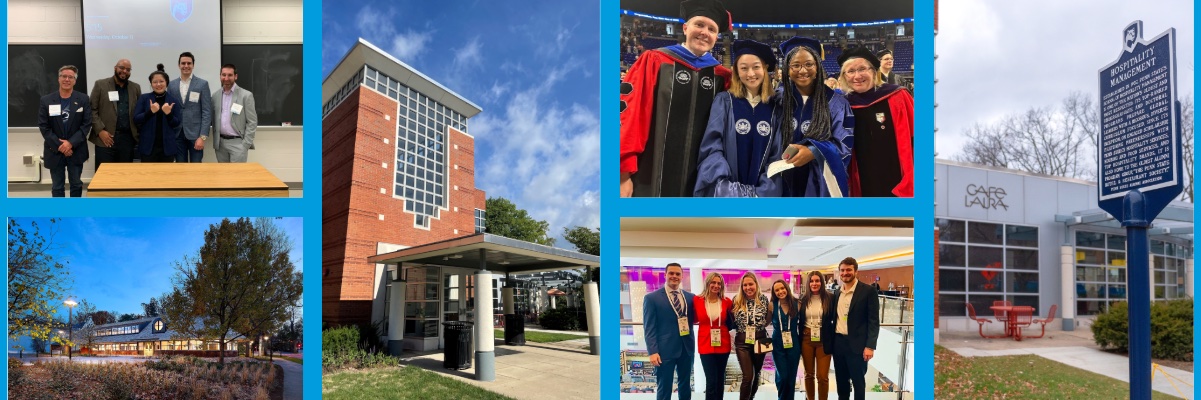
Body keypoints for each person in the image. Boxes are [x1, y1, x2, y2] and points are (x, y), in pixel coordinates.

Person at [619, 0, 732, 197]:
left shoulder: (723, 76)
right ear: (685, 27)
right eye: (699, 25)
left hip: (701, 178)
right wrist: (623, 174)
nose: (705, 32)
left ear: (716, 36)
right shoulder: (654, 60)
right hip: (649, 174)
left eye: (712, 29)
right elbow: (631, 115)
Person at [694, 39, 783, 197]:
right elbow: (712, 147)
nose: (750, 74)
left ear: (765, 68)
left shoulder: (775, 108)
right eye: (744, 68)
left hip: (761, 198)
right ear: (736, 71)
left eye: (756, 67)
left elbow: (776, 157)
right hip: (727, 196)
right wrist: (727, 188)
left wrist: (761, 193)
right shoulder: (724, 101)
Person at [777, 37, 854, 197]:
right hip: (781, 182)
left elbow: (845, 146)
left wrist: (815, 152)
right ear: (787, 69)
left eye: (809, 64)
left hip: (818, 186)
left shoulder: (837, 103)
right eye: (796, 65)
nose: (803, 70)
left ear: (818, 67)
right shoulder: (777, 100)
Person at [838, 47, 914, 197]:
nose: (857, 76)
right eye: (851, 71)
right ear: (844, 76)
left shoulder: (898, 96)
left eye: (862, 69)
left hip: (898, 177)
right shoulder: (842, 105)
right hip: (862, 180)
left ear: (874, 71)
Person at [822, 257, 880, 400]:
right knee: (841, 382)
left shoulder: (868, 291)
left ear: (856, 271)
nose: (845, 273)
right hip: (839, 343)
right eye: (842, 270)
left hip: (858, 346)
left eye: (848, 270)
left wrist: (870, 346)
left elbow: (874, 321)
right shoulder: (837, 293)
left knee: (858, 382)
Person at [643, 263, 697, 400]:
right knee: (664, 386)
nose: (674, 276)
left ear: (682, 276)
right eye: (671, 273)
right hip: (663, 350)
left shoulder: (691, 297)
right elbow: (649, 327)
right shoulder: (651, 298)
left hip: (686, 349)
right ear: (665, 275)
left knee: (685, 385)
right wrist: (652, 351)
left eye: (677, 274)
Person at [38, 65, 91, 197]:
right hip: (54, 150)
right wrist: (61, 145)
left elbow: (86, 124)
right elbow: (44, 126)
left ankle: (74, 214)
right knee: (57, 187)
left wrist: (70, 143)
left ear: (75, 80)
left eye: (70, 77)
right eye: (64, 76)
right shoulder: (46, 100)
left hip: (76, 150)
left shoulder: (83, 99)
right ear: (59, 78)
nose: (67, 79)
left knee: (77, 184)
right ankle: (60, 215)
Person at [88, 59, 141, 169]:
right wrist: (100, 131)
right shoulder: (100, 85)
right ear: (115, 68)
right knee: (104, 176)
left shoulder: (135, 88)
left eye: (128, 69)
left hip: (127, 139)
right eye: (122, 68)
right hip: (105, 138)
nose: (124, 71)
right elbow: (92, 109)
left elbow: (139, 112)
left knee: (124, 175)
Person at [694, 272, 734, 400]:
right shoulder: (697, 300)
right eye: (713, 282)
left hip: (723, 344)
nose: (716, 285)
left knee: (720, 379)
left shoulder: (726, 301)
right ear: (708, 283)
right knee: (711, 380)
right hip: (705, 344)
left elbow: (732, 319)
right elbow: (693, 318)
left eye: (719, 283)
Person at [169, 52, 213, 162]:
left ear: (193, 65)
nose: (186, 66)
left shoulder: (202, 84)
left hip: (196, 135)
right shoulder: (171, 85)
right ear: (179, 65)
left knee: (196, 168)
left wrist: (202, 137)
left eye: (189, 63)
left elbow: (207, 111)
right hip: (177, 134)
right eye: (183, 63)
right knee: (181, 168)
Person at [731, 272, 769, 400]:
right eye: (745, 285)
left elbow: (767, 319)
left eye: (750, 284)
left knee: (756, 373)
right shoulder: (736, 300)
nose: (748, 287)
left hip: (760, 340)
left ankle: (751, 397)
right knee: (747, 376)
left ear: (756, 284)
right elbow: (732, 320)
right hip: (742, 342)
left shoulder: (764, 299)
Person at [134, 64, 182, 162]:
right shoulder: (144, 98)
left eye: (161, 81)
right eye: (155, 82)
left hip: (167, 148)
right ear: (151, 84)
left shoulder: (173, 100)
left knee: (166, 176)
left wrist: (169, 114)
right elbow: (136, 119)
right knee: (147, 176)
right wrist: (150, 112)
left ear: (166, 83)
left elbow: (176, 123)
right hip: (148, 147)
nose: (158, 84)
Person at [211, 63, 257, 162]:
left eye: (230, 75)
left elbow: (252, 122)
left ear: (235, 76)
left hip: (238, 144)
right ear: (220, 76)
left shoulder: (246, 95)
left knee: (237, 177)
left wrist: (245, 144)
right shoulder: (215, 96)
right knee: (223, 176)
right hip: (220, 145)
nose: (226, 78)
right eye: (223, 75)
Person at [800, 271, 832, 400]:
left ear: (822, 283)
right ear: (808, 283)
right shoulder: (803, 299)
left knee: (823, 376)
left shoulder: (830, 298)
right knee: (809, 374)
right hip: (806, 338)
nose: (814, 283)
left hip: (824, 339)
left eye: (817, 281)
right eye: (812, 281)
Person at [769, 279, 802, 400]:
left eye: (782, 288)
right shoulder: (772, 305)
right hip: (777, 345)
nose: (780, 291)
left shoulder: (797, 304)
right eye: (777, 290)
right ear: (774, 292)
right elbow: (765, 322)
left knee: (791, 377)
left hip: (794, 344)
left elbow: (803, 323)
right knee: (782, 376)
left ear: (787, 288)